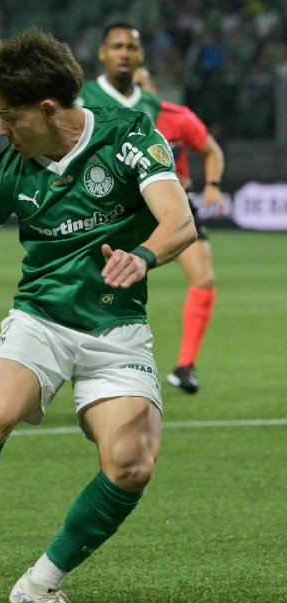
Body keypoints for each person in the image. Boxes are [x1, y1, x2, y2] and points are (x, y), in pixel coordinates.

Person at [0, 27, 195, 603]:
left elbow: (179, 220)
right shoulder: (10, 167)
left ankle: (40, 586)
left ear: (48, 109)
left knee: (132, 464)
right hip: (41, 321)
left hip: (117, 332)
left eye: (8, 117)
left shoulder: (128, 137)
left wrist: (141, 256)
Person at [133, 66, 225, 394]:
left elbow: (212, 151)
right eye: (133, 85)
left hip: (174, 208)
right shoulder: (107, 120)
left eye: (144, 84)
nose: (139, 90)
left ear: (154, 89)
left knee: (204, 279)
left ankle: (185, 367)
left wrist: (212, 185)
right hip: (125, 211)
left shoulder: (178, 117)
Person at [77, 23, 161, 120]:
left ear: (141, 54)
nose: (124, 55)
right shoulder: (81, 98)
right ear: (102, 52)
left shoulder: (154, 104)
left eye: (132, 48)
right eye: (117, 47)